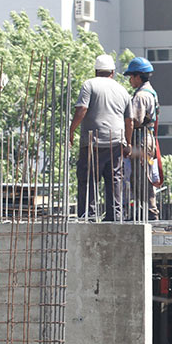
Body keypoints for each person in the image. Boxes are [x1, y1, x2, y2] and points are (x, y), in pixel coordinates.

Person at [69, 54, 130, 221]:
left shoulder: (89, 84)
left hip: (92, 142)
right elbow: (129, 121)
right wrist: (128, 144)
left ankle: (88, 216)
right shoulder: (122, 90)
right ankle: (114, 216)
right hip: (115, 142)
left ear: (96, 71)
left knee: (88, 178)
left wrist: (71, 130)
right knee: (114, 179)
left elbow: (81, 110)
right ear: (112, 72)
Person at [123, 57, 163, 221]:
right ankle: (145, 211)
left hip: (141, 140)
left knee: (141, 176)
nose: (130, 80)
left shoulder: (141, 96)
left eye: (131, 77)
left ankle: (150, 213)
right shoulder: (151, 92)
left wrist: (127, 141)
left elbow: (135, 121)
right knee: (140, 175)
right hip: (148, 139)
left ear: (138, 76)